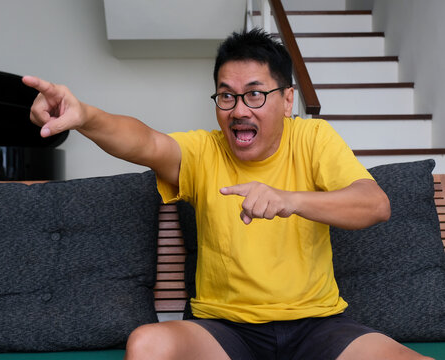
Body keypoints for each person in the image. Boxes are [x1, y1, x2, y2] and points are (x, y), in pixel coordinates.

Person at [23, 29, 432, 360]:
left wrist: (291, 199)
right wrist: (85, 117)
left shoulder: (314, 138)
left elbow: (374, 204)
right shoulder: (203, 151)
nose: (239, 110)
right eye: (226, 95)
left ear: (288, 99)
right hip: (224, 332)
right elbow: (144, 141)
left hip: (317, 325)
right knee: (147, 344)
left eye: (255, 93)